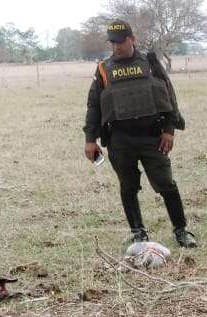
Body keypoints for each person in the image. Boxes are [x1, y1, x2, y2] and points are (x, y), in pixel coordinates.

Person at [83, 19, 197, 249]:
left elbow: (169, 97)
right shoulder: (104, 69)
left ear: (132, 39)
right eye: (112, 43)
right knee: (128, 187)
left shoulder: (151, 62)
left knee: (166, 185)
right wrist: (90, 140)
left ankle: (181, 230)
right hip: (120, 139)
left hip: (152, 136)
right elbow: (94, 105)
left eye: (121, 41)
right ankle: (138, 232)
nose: (116, 47)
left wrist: (169, 130)